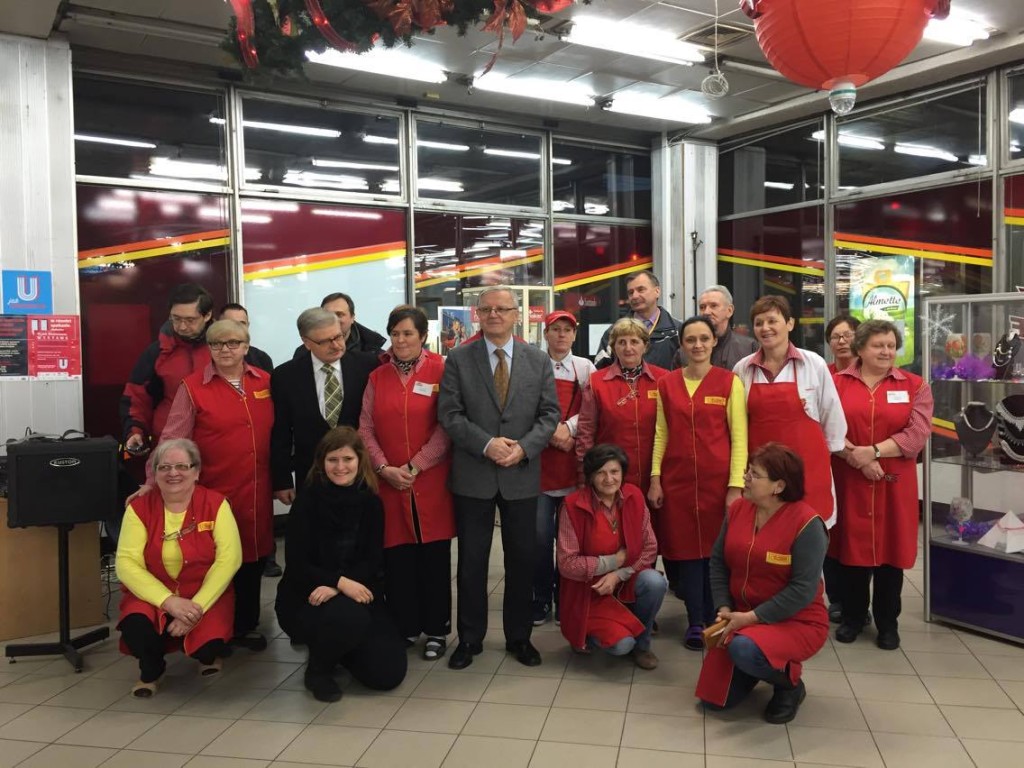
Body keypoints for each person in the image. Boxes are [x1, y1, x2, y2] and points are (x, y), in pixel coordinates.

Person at [438, 286, 561, 670]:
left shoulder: (538, 360)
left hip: (521, 475)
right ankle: (470, 639)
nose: (494, 315)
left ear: (516, 315)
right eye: (487, 309)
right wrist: (487, 444)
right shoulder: (458, 359)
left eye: (502, 309)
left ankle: (519, 637)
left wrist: (523, 448)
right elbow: (450, 414)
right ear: (477, 315)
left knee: (522, 560)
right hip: (474, 475)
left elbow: (549, 414)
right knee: (472, 563)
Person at [138, 319, 274, 651]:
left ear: (246, 345)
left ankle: (245, 625)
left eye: (232, 343)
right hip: (215, 492)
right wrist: (151, 480)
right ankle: (213, 630)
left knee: (254, 554)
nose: (225, 350)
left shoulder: (267, 381)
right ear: (209, 349)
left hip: (259, 489)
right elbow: (173, 436)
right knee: (217, 560)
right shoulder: (193, 386)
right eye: (216, 344)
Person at [696, 443, 829, 724]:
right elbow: (718, 562)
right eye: (747, 471)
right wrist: (723, 606)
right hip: (741, 615)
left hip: (797, 621)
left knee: (743, 650)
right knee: (713, 702)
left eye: (754, 474)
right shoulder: (738, 510)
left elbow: (802, 590)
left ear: (778, 486)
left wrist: (751, 618)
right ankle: (753, 664)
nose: (745, 478)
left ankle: (789, 685)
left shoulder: (808, 525)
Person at [275, 427, 407, 702]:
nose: (340, 467)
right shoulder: (307, 502)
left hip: (355, 589)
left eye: (347, 459)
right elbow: (297, 564)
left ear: (360, 461)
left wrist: (339, 586)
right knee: (349, 618)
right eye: (332, 459)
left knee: (387, 675)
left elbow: (372, 560)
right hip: (307, 595)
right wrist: (338, 581)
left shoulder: (371, 502)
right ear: (321, 463)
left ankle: (338, 648)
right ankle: (318, 671)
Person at [359, 305, 455, 660]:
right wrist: (384, 467)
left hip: (430, 481)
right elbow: (365, 427)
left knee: (433, 558)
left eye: (408, 333)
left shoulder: (442, 370)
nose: (400, 340)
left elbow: (447, 425)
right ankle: (405, 626)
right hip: (388, 482)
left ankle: (437, 629)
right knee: (397, 559)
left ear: (422, 336)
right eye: (395, 333)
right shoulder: (377, 377)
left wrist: (415, 467)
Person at [832, 319, 933, 650]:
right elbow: (825, 427)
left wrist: (873, 451)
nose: (887, 351)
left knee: (891, 554)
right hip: (849, 479)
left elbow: (916, 434)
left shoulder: (916, 385)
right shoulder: (835, 383)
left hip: (894, 483)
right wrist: (856, 457)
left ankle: (888, 623)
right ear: (860, 348)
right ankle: (852, 617)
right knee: (851, 551)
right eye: (878, 345)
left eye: (891, 345)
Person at [649, 315, 748, 651]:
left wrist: (736, 487)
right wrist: (655, 478)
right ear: (682, 344)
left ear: (714, 342)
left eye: (704, 338)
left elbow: (740, 437)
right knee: (687, 554)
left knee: (716, 554)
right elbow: (661, 433)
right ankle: (695, 620)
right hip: (676, 483)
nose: (698, 345)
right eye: (690, 339)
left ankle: (715, 617)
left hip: (718, 483)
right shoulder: (667, 384)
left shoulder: (729, 382)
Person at [116, 439, 242, 697]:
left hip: (204, 594)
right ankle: (152, 669)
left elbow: (229, 560)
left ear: (196, 472)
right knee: (136, 628)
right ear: (155, 473)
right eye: (164, 467)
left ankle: (207, 654)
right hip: (153, 594)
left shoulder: (216, 504)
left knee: (207, 647)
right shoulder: (138, 508)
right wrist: (168, 602)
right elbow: (126, 563)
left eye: (182, 466)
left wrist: (196, 608)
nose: (173, 473)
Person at [733, 295, 847, 530]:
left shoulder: (813, 363)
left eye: (772, 321)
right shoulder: (742, 369)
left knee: (807, 544)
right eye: (759, 323)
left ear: (790, 324)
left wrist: (825, 459)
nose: (765, 328)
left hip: (808, 472)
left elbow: (831, 416)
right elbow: (737, 423)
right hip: (761, 477)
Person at [557, 444, 667, 669]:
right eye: (601, 472)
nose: (609, 479)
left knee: (655, 582)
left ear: (622, 473)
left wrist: (618, 574)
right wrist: (612, 561)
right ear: (590, 477)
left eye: (615, 472)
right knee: (621, 645)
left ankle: (642, 645)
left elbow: (649, 547)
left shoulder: (634, 496)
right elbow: (567, 564)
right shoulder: (572, 505)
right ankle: (587, 635)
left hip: (624, 580)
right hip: (590, 591)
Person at [271, 308, 379, 506]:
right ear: (306, 342)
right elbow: (281, 432)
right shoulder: (286, 376)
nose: (336, 345)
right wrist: (282, 479)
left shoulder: (368, 366)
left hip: (359, 476)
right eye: (325, 341)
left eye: (338, 336)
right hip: (311, 476)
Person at [533, 310, 596, 627]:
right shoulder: (533, 363)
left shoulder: (585, 367)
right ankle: (541, 599)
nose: (560, 335)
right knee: (541, 540)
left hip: (573, 468)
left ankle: (566, 599)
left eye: (566, 330)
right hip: (540, 469)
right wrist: (549, 432)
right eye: (555, 329)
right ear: (545, 334)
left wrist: (568, 430)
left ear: (574, 335)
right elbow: (524, 406)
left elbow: (591, 408)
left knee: (571, 543)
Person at [220, 302, 281, 578]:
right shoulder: (200, 377)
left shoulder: (263, 367)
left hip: (260, 470)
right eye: (230, 325)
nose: (234, 336)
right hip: (220, 474)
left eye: (242, 325)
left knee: (260, 528)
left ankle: (267, 559)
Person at [576, 317, 669, 497]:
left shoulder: (664, 380)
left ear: (645, 346)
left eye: (634, 341)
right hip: (609, 480)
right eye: (621, 342)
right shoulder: (596, 382)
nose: (628, 348)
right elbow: (585, 432)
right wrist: (585, 473)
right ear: (613, 347)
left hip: (655, 478)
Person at [121, 283, 214, 454]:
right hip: (170, 446)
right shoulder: (157, 352)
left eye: (190, 320)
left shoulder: (223, 349)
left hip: (215, 443)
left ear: (207, 315)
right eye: (176, 319)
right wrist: (135, 430)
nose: (182, 326)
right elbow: (137, 397)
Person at [823, 313, 862, 621]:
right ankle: (837, 598)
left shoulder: (872, 373)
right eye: (835, 337)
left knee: (859, 535)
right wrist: (851, 453)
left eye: (847, 335)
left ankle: (860, 604)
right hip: (833, 464)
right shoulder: (821, 373)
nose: (841, 341)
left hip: (868, 468)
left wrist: (867, 454)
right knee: (832, 534)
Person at [594, 271, 682, 370]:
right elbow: (600, 371)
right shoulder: (613, 332)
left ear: (657, 291)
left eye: (641, 290)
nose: (634, 296)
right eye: (630, 292)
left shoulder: (678, 331)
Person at [673, 285, 758, 370]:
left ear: (729, 310)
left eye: (713, 306)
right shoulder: (684, 354)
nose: (706, 312)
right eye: (702, 307)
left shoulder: (748, 348)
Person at [293, 292, 386, 359]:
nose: (334, 320)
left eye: (339, 314)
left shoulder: (374, 352)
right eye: (328, 315)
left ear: (352, 317)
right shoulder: (303, 353)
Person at [220, 303, 275, 374]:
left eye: (242, 323)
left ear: (248, 326)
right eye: (231, 323)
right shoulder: (210, 356)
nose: (237, 328)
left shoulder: (261, 359)